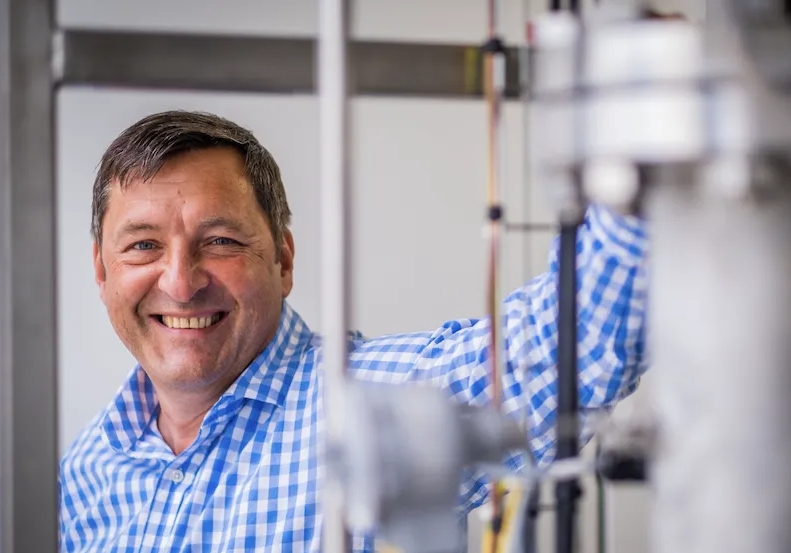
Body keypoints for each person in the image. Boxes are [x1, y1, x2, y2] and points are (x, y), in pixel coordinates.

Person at [58, 110, 648, 553]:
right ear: (102, 271)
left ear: (283, 261)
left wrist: (639, 135)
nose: (181, 283)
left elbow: (582, 340)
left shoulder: (384, 402)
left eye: (221, 241)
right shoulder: (81, 476)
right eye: (143, 246)